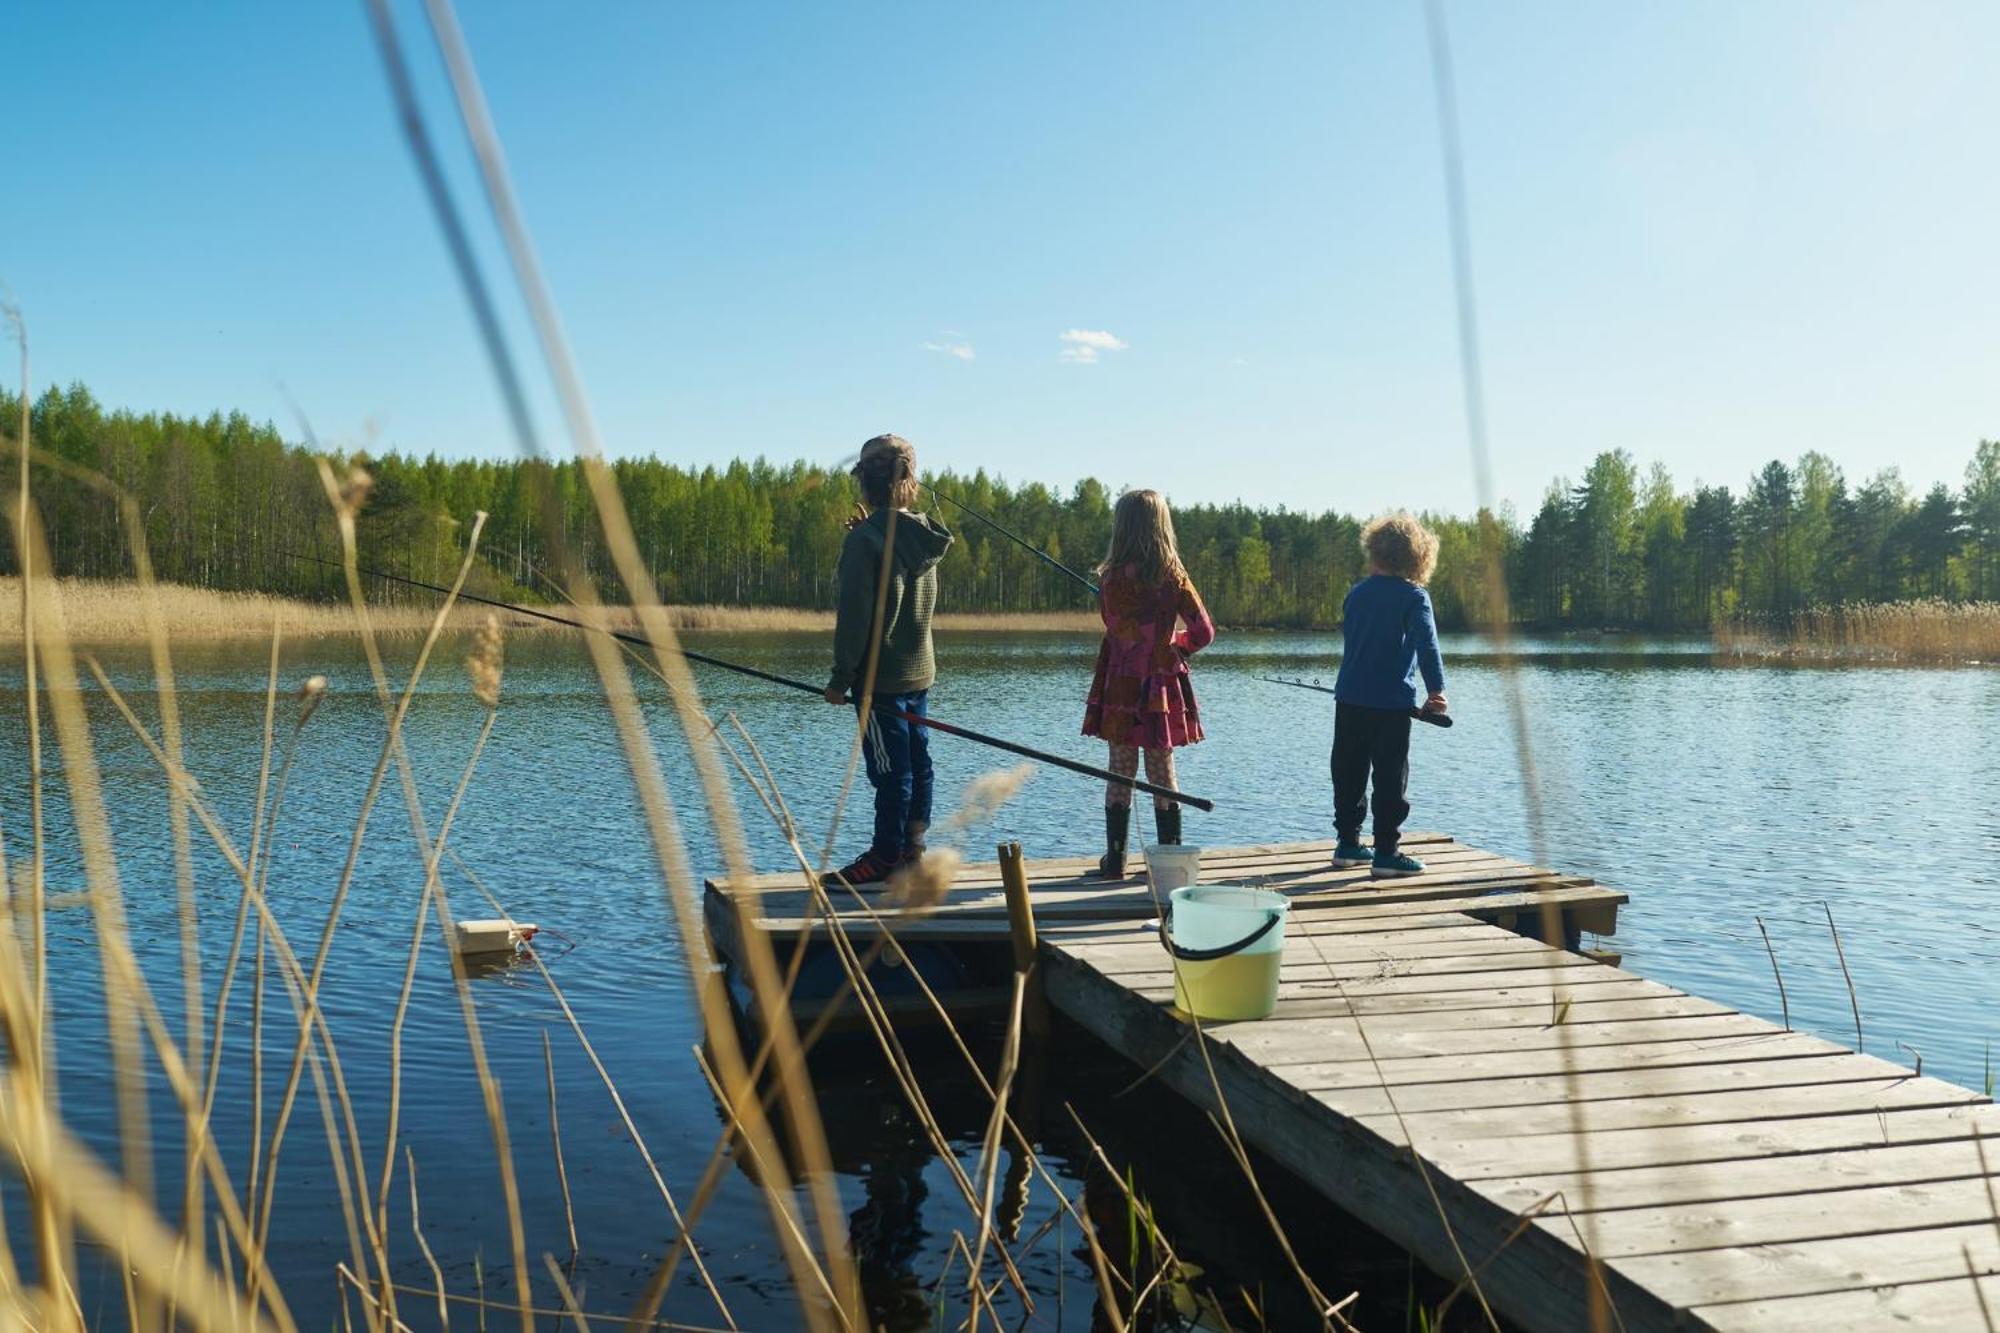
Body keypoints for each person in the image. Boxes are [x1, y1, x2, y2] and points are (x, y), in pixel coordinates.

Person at [824, 434, 954, 885]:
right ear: (910, 483)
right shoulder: (923, 536)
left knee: (889, 772)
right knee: (918, 763)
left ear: (864, 483)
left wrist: (841, 678)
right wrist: (868, 532)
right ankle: (913, 849)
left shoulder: (866, 542)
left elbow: (856, 617)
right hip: (920, 671)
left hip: (880, 679)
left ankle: (884, 856)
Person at [1082, 489, 1214, 878]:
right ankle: (1169, 864)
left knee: (1119, 770)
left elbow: (1113, 624)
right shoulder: (1175, 576)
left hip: (1120, 684)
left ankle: (1116, 861)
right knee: (1162, 771)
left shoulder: (1109, 580)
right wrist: (1176, 646)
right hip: (1160, 688)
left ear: (1120, 528)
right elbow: (1204, 631)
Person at [1331, 512, 1447, 877]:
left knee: (1348, 770)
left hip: (1349, 698)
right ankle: (1386, 852)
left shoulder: (1356, 593)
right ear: (1417, 556)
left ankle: (1347, 844)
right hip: (1391, 704)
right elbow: (1428, 646)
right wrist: (1436, 692)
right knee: (1389, 776)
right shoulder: (1414, 597)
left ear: (1374, 550)